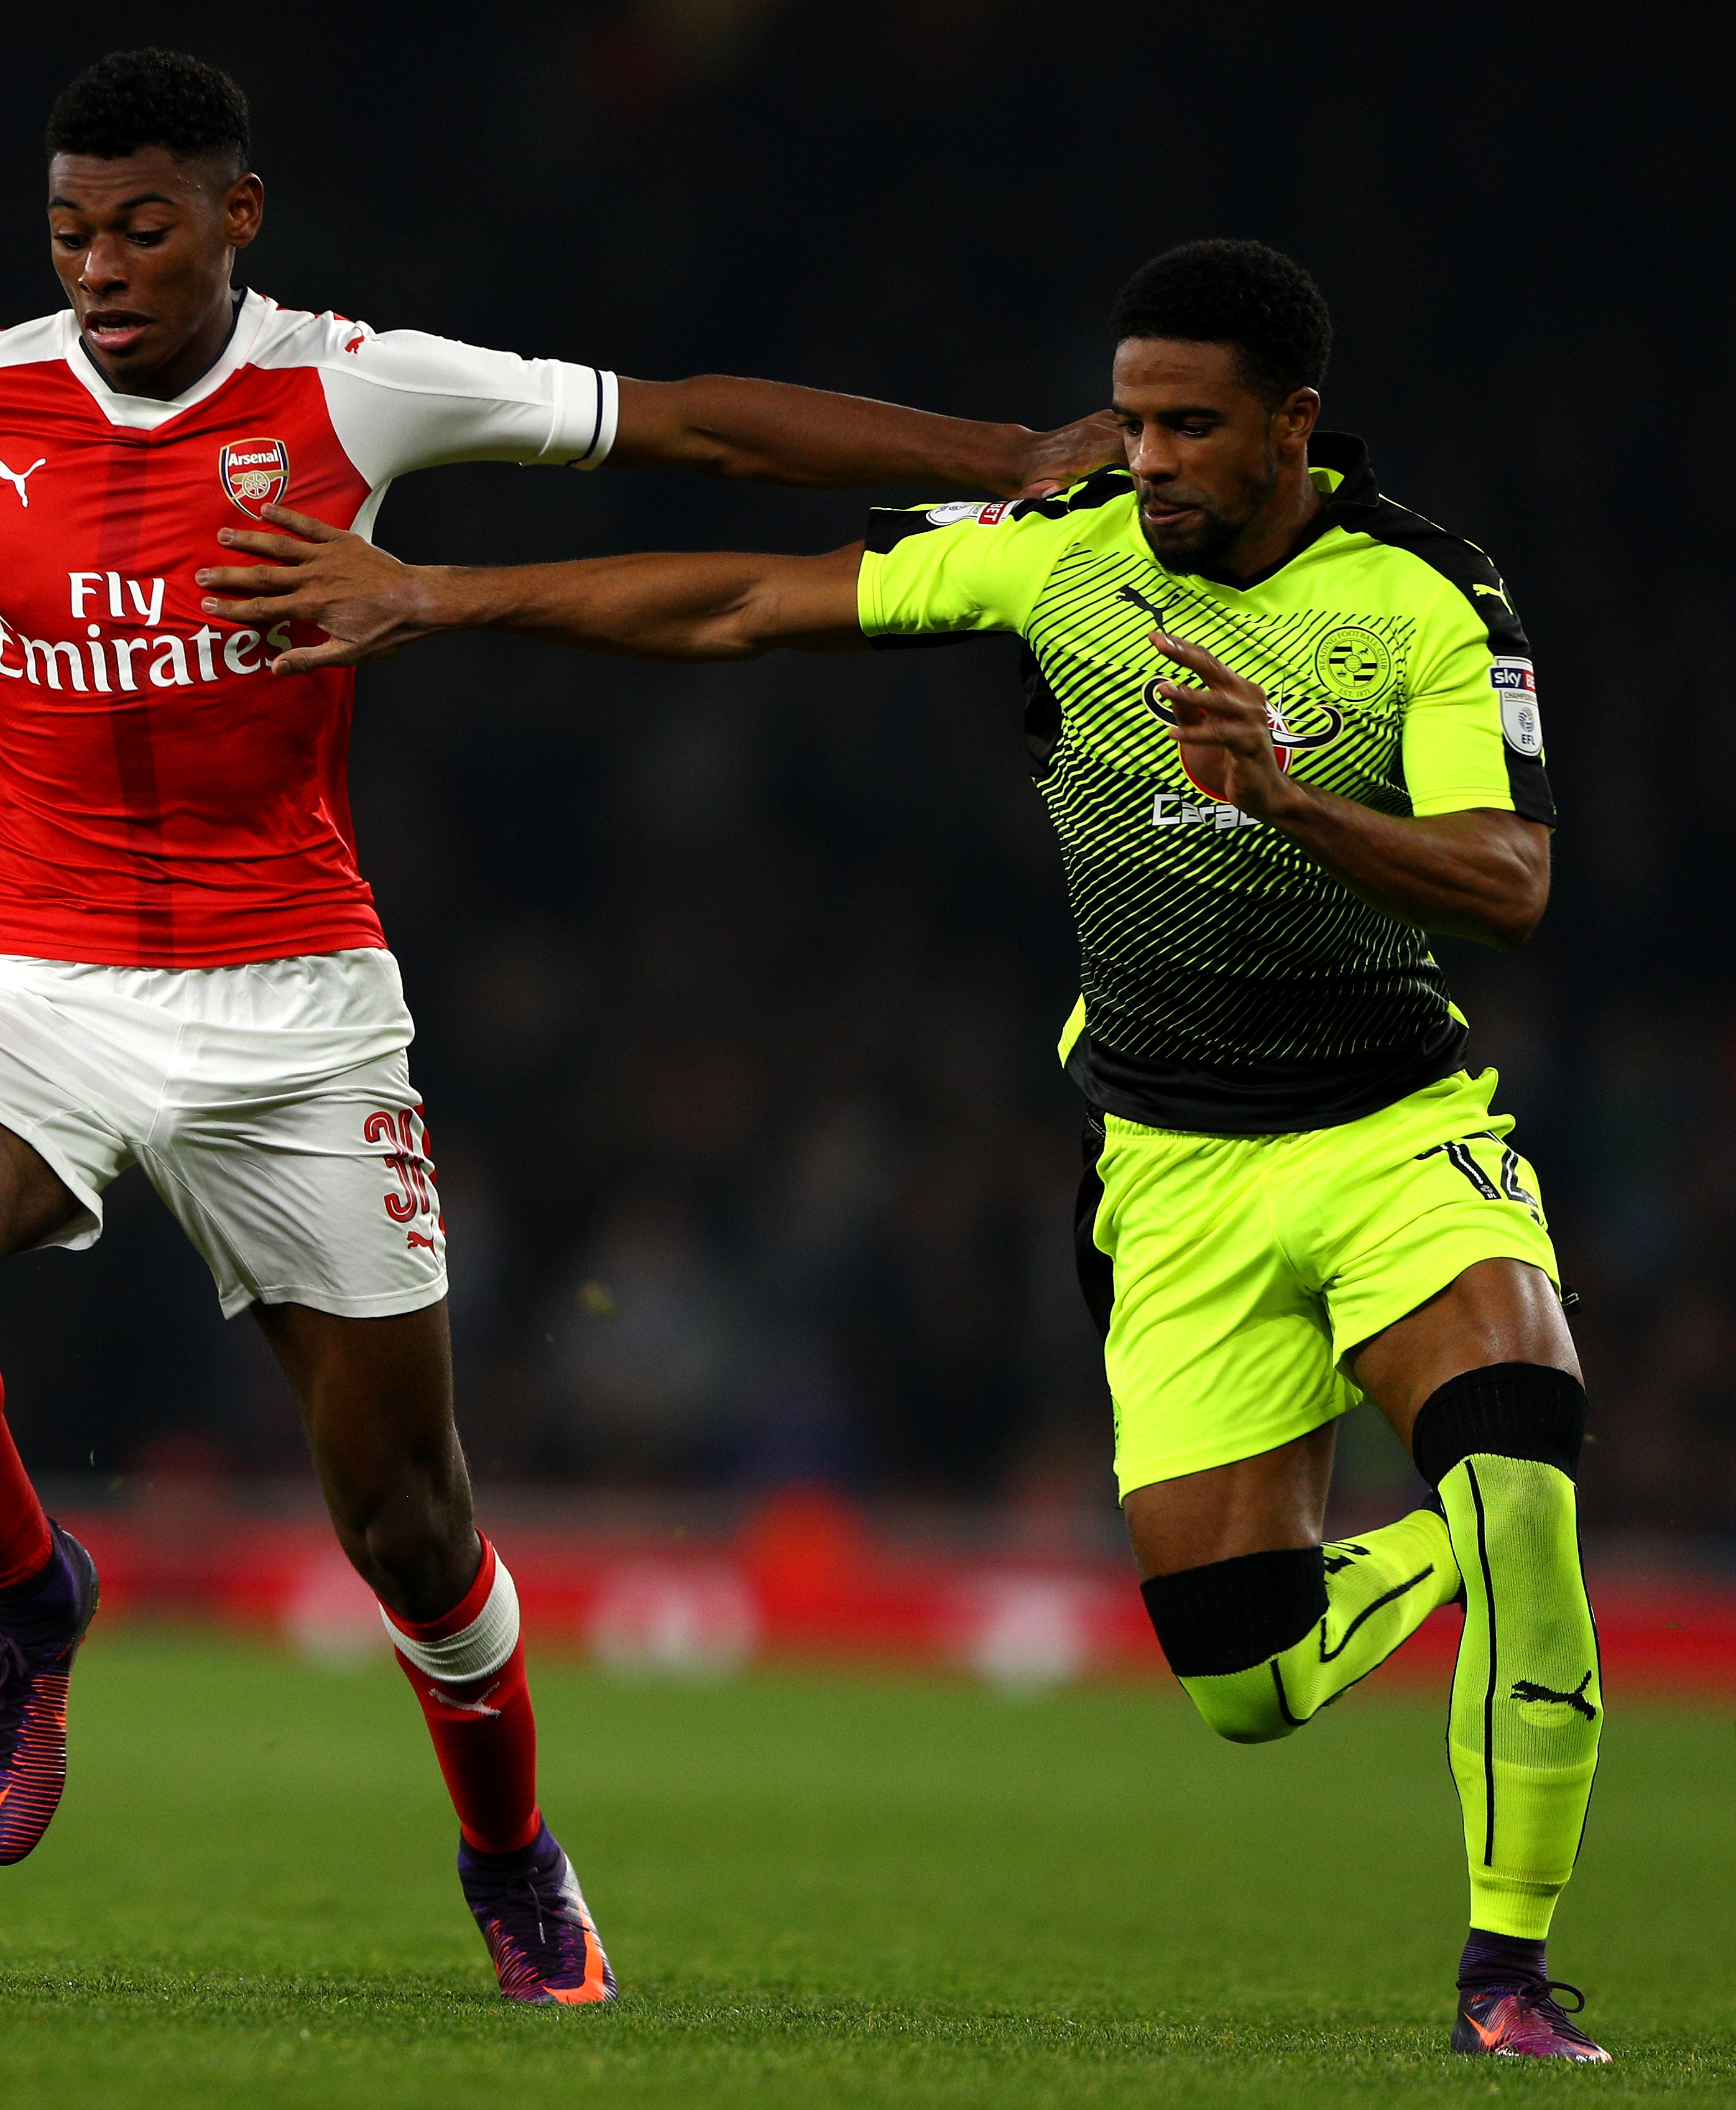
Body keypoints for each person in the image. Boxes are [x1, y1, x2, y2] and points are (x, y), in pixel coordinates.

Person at [200, 238, 1609, 2061]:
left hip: (1389, 1131)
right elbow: (742, 605)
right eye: (1140, 417)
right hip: (1171, 1169)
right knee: (1248, 1681)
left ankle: (1504, 1977)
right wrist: (434, 595)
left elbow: (1510, 884)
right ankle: (1452, 1554)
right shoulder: (1062, 551)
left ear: (1293, 427)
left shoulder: (1424, 592)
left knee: (1519, 1467)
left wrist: (1291, 800)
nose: (1154, 457)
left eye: (1196, 427)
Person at [0, 46, 1117, 2005]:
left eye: (144, 225)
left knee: (409, 1526)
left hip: (295, 1008)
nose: (100, 264)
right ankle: (28, 1590)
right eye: (72, 229)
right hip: (39, 971)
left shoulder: (347, 381)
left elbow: (676, 421)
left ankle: (509, 1852)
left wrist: (1001, 446)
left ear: (236, 217)